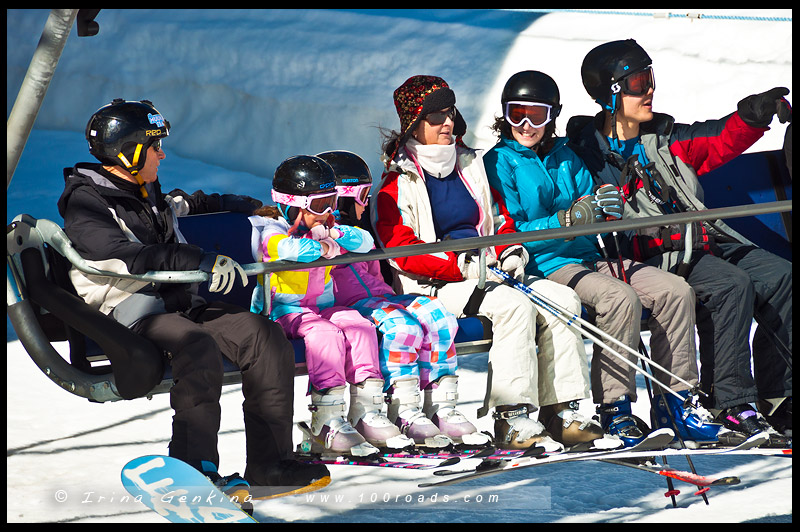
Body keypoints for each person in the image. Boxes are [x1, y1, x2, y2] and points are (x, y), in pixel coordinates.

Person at [57, 99, 330, 505]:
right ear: (129, 150)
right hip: (130, 314)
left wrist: (244, 206)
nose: (162, 154)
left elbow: (190, 203)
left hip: (180, 303)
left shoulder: (145, 191)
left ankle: (270, 464)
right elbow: (125, 255)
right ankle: (192, 466)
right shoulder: (86, 205)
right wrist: (198, 259)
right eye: (155, 147)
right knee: (196, 346)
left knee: (263, 335)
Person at [373, 75, 620, 451]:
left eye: (450, 113)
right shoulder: (397, 182)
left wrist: (510, 250)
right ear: (414, 124)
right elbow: (402, 248)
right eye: (436, 117)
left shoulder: (468, 164)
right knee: (513, 307)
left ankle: (561, 410)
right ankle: (511, 415)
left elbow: (500, 219)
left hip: (490, 271)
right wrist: (462, 265)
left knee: (564, 301)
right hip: (437, 287)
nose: (448, 123)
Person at [567, 39, 792, 443]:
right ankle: (730, 400)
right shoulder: (587, 157)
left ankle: (779, 394)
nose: (649, 89)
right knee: (730, 286)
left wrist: (751, 117)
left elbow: (716, 141)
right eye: (637, 82)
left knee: (780, 275)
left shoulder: (664, 137)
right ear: (611, 93)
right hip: (654, 257)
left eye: (649, 78)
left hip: (701, 241)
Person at [484, 71, 721, 447]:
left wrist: (607, 205)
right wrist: (565, 220)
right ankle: (615, 408)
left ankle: (676, 401)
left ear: (553, 115)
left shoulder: (566, 156)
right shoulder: (499, 163)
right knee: (619, 298)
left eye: (537, 115)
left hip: (590, 256)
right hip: (544, 264)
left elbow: (593, 199)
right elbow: (512, 226)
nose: (526, 125)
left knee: (675, 290)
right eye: (517, 115)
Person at [318, 149, 489, 448]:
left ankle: (440, 405)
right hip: (348, 306)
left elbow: (375, 273)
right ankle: (403, 407)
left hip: (379, 298)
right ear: (342, 199)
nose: (366, 203)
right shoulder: (322, 240)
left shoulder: (360, 237)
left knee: (438, 314)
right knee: (401, 327)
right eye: (361, 196)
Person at [249, 155, 403, 456]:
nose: (328, 212)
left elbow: (365, 242)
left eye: (332, 202)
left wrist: (335, 233)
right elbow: (284, 248)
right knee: (325, 335)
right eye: (320, 205)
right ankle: (326, 419)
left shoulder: (328, 225)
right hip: (283, 311)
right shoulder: (269, 228)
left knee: (360, 327)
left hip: (320, 308)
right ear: (293, 204)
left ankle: (366, 412)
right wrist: (321, 246)